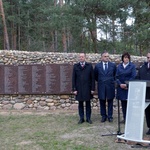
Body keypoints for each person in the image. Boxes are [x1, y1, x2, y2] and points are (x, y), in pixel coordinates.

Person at [72, 53, 95, 124]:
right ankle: (81, 118)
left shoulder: (89, 66)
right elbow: (73, 78)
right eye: (80, 57)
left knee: (88, 103)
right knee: (80, 104)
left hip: (88, 88)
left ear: (85, 57)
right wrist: (74, 89)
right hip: (79, 88)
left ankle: (88, 118)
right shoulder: (76, 66)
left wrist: (92, 89)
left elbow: (92, 78)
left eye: (82, 57)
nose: (81, 58)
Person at [94, 51, 116, 122]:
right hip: (101, 86)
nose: (107, 58)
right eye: (105, 56)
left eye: (107, 56)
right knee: (102, 101)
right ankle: (103, 116)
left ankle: (110, 116)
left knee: (110, 101)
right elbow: (96, 76)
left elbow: (115, 75)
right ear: (101, 57)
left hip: (110, 86)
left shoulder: (113, 65)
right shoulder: (97, 66)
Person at [116, 52, 136, 123]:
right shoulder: (119, 66)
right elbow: (116, 77)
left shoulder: (132, 66)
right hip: (121, 88)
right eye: (125, 57)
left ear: (129, 58)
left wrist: (126, 85)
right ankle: (125, 118)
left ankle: (129, 119)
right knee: (123, 104)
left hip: (128, 88)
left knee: (129, 104)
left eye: (127, 57)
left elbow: (133, 76)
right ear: (123, 58)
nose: (126, 59)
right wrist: (120, 84)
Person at [136, 52, 150, 134]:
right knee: (147, 111)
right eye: (148, 57)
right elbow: (138, 78)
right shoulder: (142, 68)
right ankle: (149, 127)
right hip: (145, 93)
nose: (149, 59)